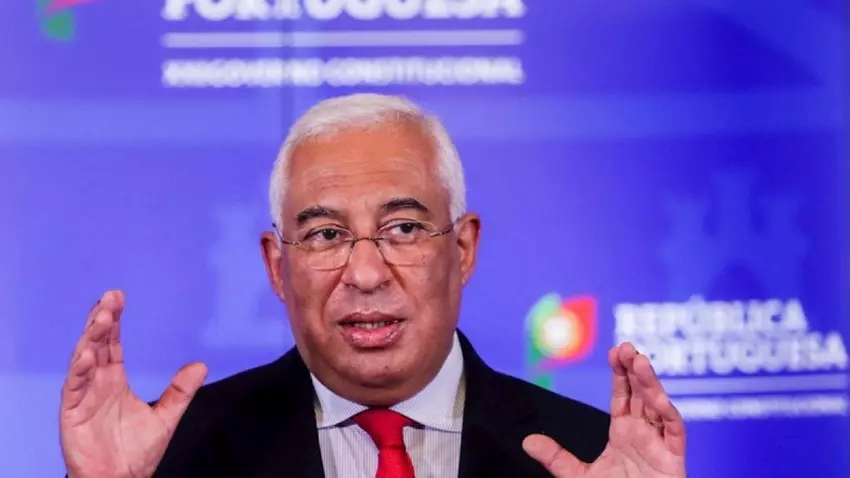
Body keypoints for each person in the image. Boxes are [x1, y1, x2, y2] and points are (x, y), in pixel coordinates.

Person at [59, 93, 688, 478]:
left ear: (463, 249)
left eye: (404, 228)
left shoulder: (588, 453)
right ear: (277, 268)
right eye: (326, 235)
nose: (364, 274)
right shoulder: (178, 455)